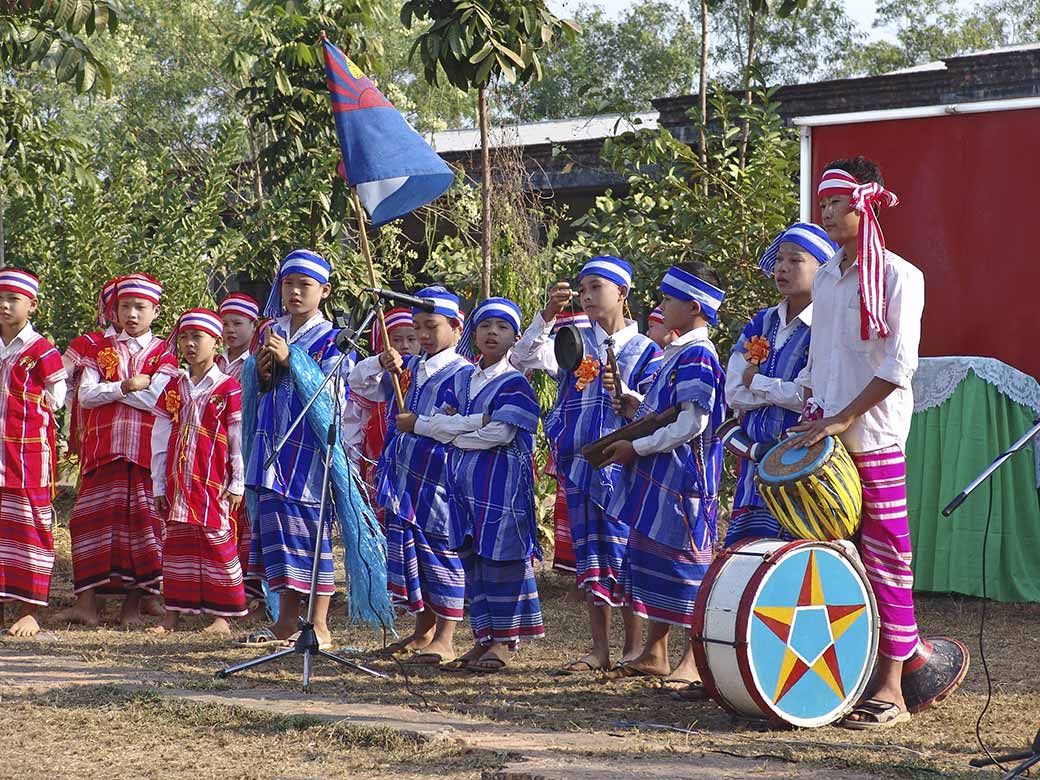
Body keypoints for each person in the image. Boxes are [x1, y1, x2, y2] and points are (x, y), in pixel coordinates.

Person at [790, 157, 924, 729]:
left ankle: (892, 688)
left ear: (863, 204)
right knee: (834, 553)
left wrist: (842, 417)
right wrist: (811, 411)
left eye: (833, 203)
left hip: (874, 433)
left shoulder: (900, 275)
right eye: (821, 203)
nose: (825, 211)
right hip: (828, 430)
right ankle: (875, 664)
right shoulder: (824, 277)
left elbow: (898, 367)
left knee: (886, 555)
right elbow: (821, 361)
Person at [511, 256, 661, 675]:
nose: (588, 295)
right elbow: (522, 360)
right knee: (590, 557)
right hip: (581, 463)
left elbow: (655, 409)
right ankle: (599, 650)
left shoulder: (647, 349)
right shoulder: (572, 341)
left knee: (626, 554)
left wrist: (626, 393)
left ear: (623, 294)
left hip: (626, 466)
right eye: (583, 288)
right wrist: (546, 316)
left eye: (597, 286)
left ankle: (634, 651)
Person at [598, 262, 726, 685]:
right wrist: (637, 408)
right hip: (660, 480)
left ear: (693, 307)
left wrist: (635, 446)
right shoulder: (679, 354)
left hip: (683, 483)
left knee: (686, 565)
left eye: (668, 300)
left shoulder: (699, 355)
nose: (660, 306)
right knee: (652, 559)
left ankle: (693, 659)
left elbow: (693, 424)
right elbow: (669, 413)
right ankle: (655, 652)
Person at [349, 287, 473, 664]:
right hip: (404, 478)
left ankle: (447, 636)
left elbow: (463, 425)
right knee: (411, 554)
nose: (422, 335)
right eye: (417, 327)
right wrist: (381, 362)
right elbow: (357, 383)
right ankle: (423, 629)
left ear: (455, 326)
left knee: (440, 552)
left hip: (441, 480)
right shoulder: (407, 369)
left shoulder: (464, 374)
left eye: (431, 326)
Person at [428, 297, 545, 672]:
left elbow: (498, 433)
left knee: (504, 560)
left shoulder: (516, 384)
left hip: (502, 489)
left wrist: (454, 431)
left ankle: (505, 642)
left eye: (503, 327)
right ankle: (483, 638)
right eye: (485, 326)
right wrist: (463, 425)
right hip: (464, 487)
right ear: (474, 333)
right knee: (474, 560)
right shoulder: (463, 378)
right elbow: (438, 420)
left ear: (515, 337)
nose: (493, 333)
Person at [242, 250, 352, 649]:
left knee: (311, 532)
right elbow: (258, 384)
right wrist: (260, 370)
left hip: (307, 452)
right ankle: (286, 620)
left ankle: (319, 623)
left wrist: (293, 362)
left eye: (304, 285)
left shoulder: (333, 339)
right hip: (271, 444)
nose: (294, 292)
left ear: (323, 290)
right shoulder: (272, 330)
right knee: (277, 532)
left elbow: (336, 394)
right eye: (288, 283)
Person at [59, 273, 179, 627]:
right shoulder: (101, 349)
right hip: (103, 453)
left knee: (141, 530)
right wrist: (126, 385)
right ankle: (86, 605)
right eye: (125, 306)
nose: (132, 313)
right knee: (89, 524)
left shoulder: (165, 354)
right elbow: (85, 395)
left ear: (155, 311)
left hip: (144, 456)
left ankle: (132, 609)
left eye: (141, 307)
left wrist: (114, 391)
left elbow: (158, 398)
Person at [724, 223, 836, 544]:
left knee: (794, 549)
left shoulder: (824, 325)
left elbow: (811, 396)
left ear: (822, 269)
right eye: (780, 260)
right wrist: (778, 391)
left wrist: (757, 381)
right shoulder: (762, 321)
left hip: (800, 461)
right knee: (750, 554)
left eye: (795, 260)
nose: (782, 268)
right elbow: (734, 391)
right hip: (755, 461)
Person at [150, 309, 246, 635]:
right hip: (179, 479)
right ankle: (172, 615)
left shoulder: (228, 388)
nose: (190, 345)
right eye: (185, 338)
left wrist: (237, 482)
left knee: (217, 543)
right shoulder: (175, 387)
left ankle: (223, 616)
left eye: (198, 337)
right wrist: (159, 484)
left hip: (213, 479)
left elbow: (237, 438)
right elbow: (160, 437)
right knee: (176, 544)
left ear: (216, 342)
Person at [0, 269, 68, 637]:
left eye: (13, 299)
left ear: (32, 305)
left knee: (31, 529)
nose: (5, 306)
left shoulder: (42, 350)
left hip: (27, 458)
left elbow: (58, 398)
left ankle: (30, 609)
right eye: (0, 299)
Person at [344, 308, 420, 524]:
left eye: (411, 338)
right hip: (376, 466)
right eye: (396, 339)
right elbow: (356, 383)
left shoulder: (425, 376)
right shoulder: (376, 379)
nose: (404, 346)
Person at [215, 292, 263, 603]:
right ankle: (220, 583)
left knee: (247, 515)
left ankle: (250, 589)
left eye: (238, 323)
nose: (230, 330)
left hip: (247, 444)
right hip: (214, 448)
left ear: (254, 325)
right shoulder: (215, 362)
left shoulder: (258, 363)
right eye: (224, 324)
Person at [63, 277, 119, 459]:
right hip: (91, 431)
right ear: (109, 311)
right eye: (122, 305)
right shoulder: (88, 343)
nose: (130, 313)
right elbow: (60, 381)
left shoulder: (154, 348)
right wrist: (79, 405)